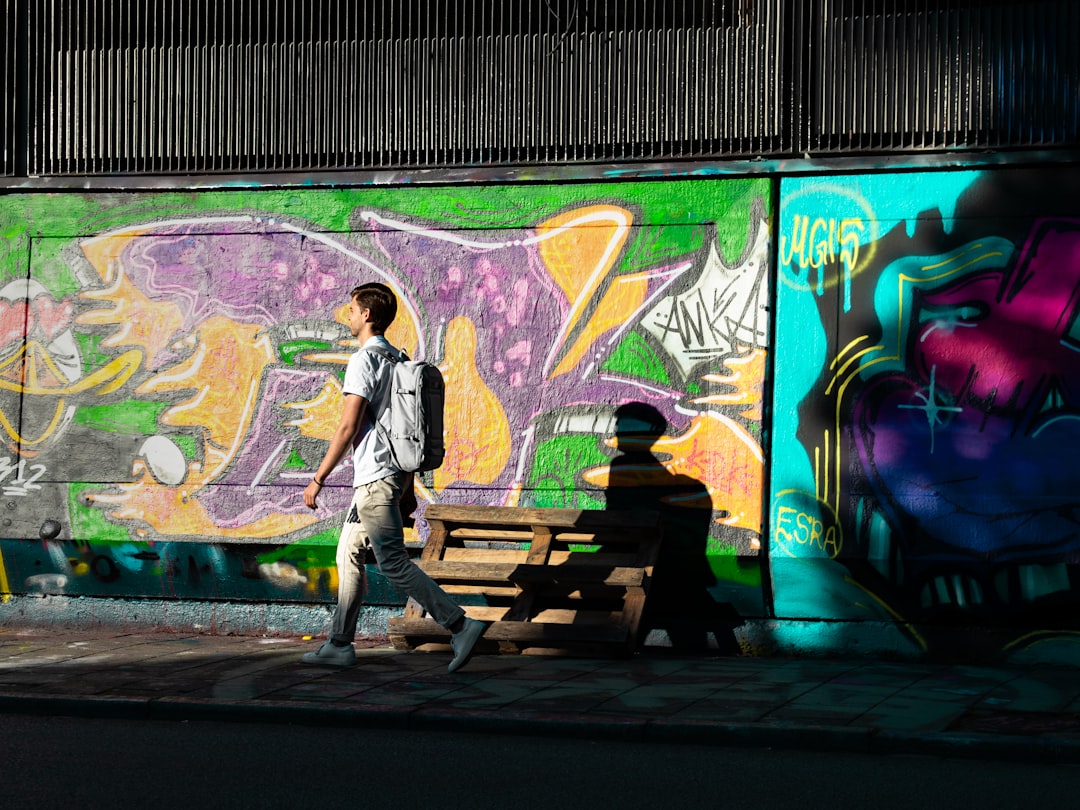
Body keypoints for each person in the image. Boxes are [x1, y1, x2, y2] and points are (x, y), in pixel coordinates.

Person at [300, 282, 486, 671]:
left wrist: (318, 478)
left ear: (367, 314)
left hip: (376, 480)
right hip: (393, 476)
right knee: (349, 551)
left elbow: (348, 427)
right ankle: (339, 643)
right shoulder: (395, 357)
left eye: (351, 309)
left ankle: (460, 624)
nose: (347, 315)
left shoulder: (364, 360)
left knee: (392, 562)